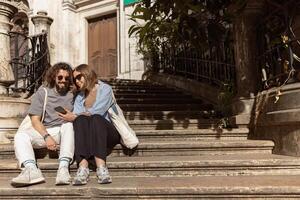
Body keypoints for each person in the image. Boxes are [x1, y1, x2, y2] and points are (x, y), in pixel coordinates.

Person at [11, 62, 75, 187]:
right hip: (46, 131)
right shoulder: (43, 92)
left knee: (68, 125)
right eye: (60, 77)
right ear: (54, 76)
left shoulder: (74, 93)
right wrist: (46, 136)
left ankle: (63, 169)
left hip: (65, 133)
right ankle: (31, 170)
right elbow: (35, 120)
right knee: (20, 136)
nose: (63, 81)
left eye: (67, 78)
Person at [60, 64, 120, 185]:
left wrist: (76, 116)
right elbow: (79, 116)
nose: (77, 81)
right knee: (80, 120)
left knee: (96, 118)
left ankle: (101, 168)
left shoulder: (105, 89)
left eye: (79, 77)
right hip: (89, 135)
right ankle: (83, 168)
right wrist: (75, 117)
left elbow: (98, 110)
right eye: (75, 79)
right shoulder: (80, 97)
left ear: (87, 74)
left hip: (107, 133)